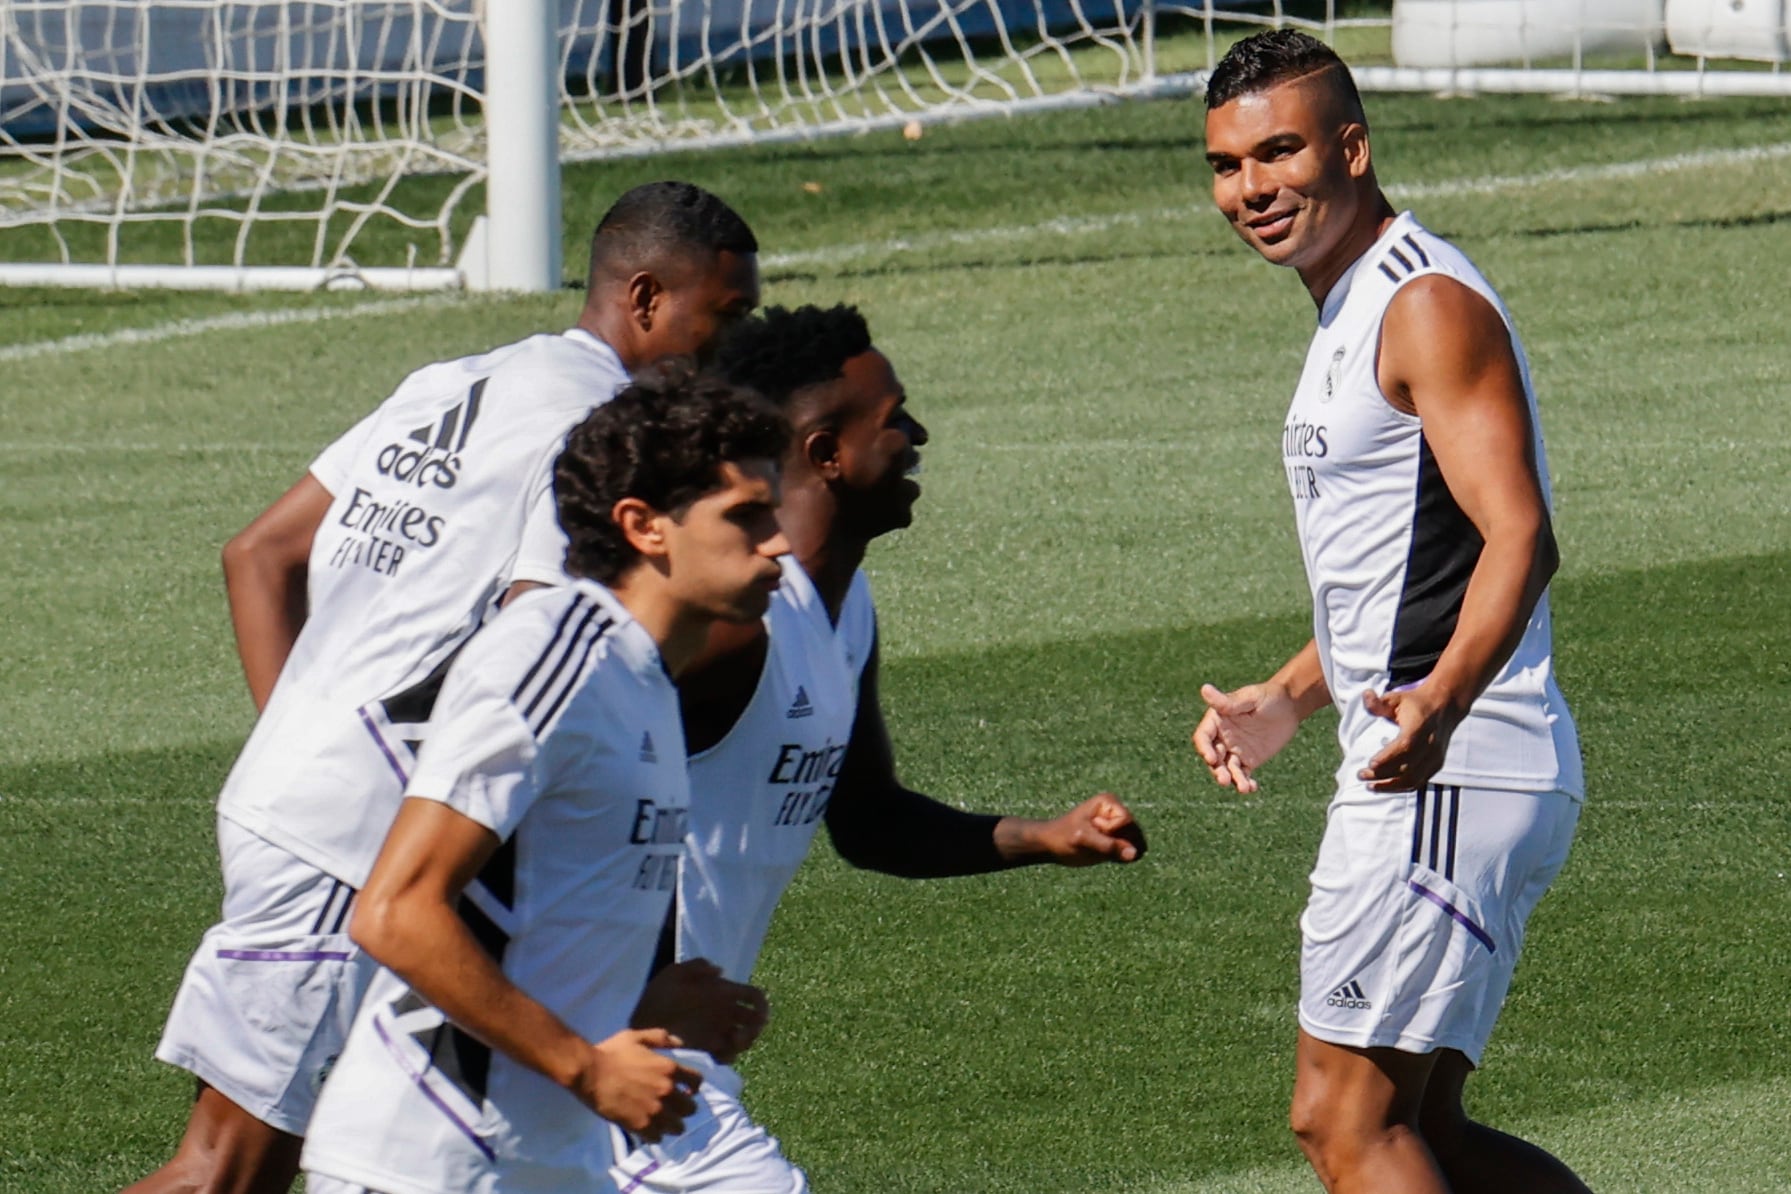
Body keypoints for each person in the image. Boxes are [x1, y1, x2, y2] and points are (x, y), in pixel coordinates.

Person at [129, 181, 760, 1194]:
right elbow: (538, 636)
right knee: (224, 1174)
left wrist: (310, 747)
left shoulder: (461, 379)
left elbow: (258, 553)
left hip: (318, 807)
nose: (728, 350)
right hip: (348, 840)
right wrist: (358, 798)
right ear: (644, 298)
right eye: (722, 319)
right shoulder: (592, 431)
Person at [503, 304, 1148, 1193]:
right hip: (615, 1059)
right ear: (824, 453)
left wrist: (1043, 837)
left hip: (653, 1061)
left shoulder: (842, 614)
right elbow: (539, 803)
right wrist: (630, 993)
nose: (917, 435)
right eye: (894, 420)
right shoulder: (735, 632)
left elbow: (868, 820)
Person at [1191, 30, 1589, 1194]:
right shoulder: (1355, 304)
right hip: (1446, 761)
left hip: (1447, 773)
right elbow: (1414, 568)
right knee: (1432, 1136)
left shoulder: (1421, 304)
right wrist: (1288, 696)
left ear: (1352, 147)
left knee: (1343, 1122)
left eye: (1280, 152)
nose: (1253, 189)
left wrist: (1441, 709)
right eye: (1227, 166)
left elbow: (1521, 535)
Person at [299, 368, 794, 1194]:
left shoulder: (642, 683)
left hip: (545, 1163)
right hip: (427, 1162)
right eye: (745, 515)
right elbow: (395, 912)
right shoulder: (555, 650)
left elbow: (525, 928)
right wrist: (588, 1068)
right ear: (644, 527)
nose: (778, 540)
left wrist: (638, 1013)